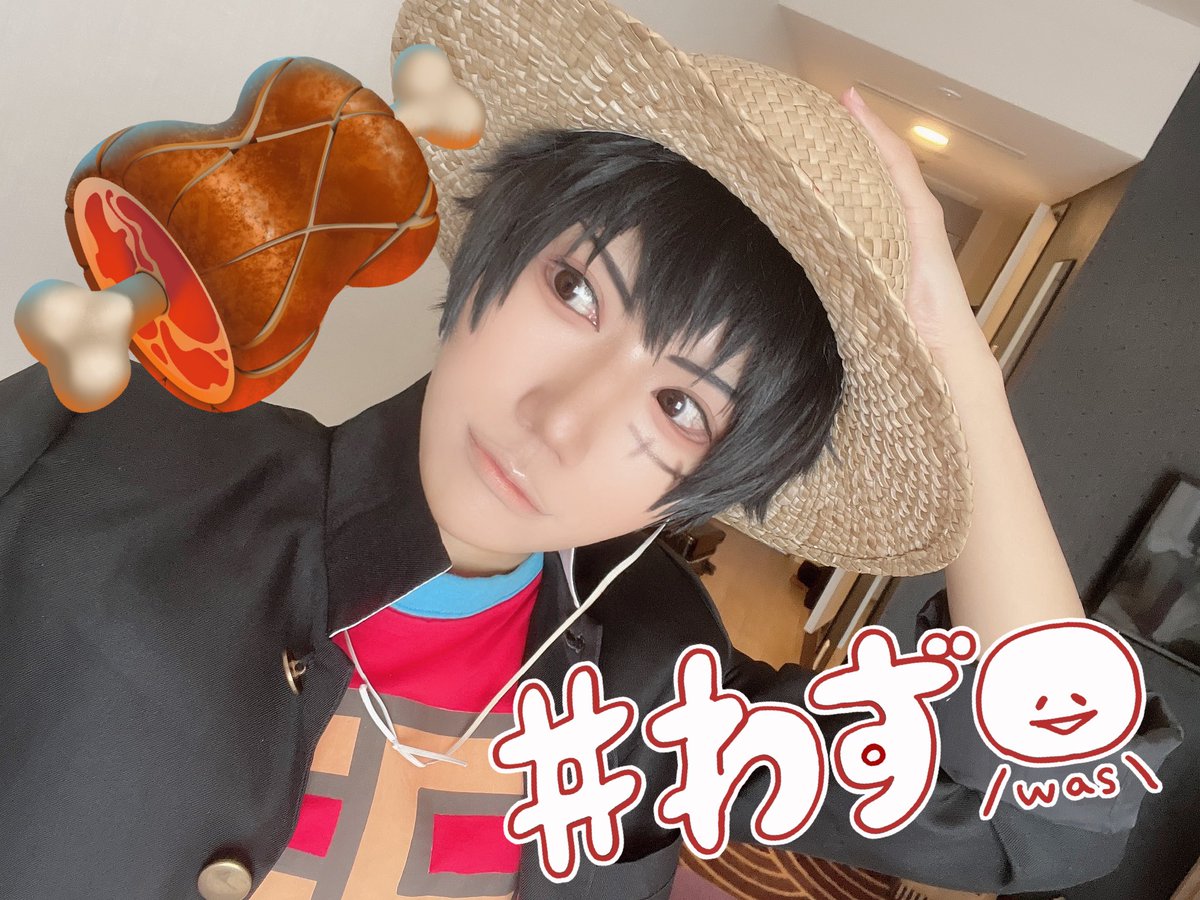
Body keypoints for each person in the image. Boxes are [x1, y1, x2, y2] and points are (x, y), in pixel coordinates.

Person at [0, 0, 1180, 898]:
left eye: (681, 408)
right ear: (496, 247)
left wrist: (957, 362)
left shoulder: (659, 696)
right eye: (575, 289)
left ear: (715, 478)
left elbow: (1050, 811)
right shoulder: (107, 454)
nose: (561, 421)